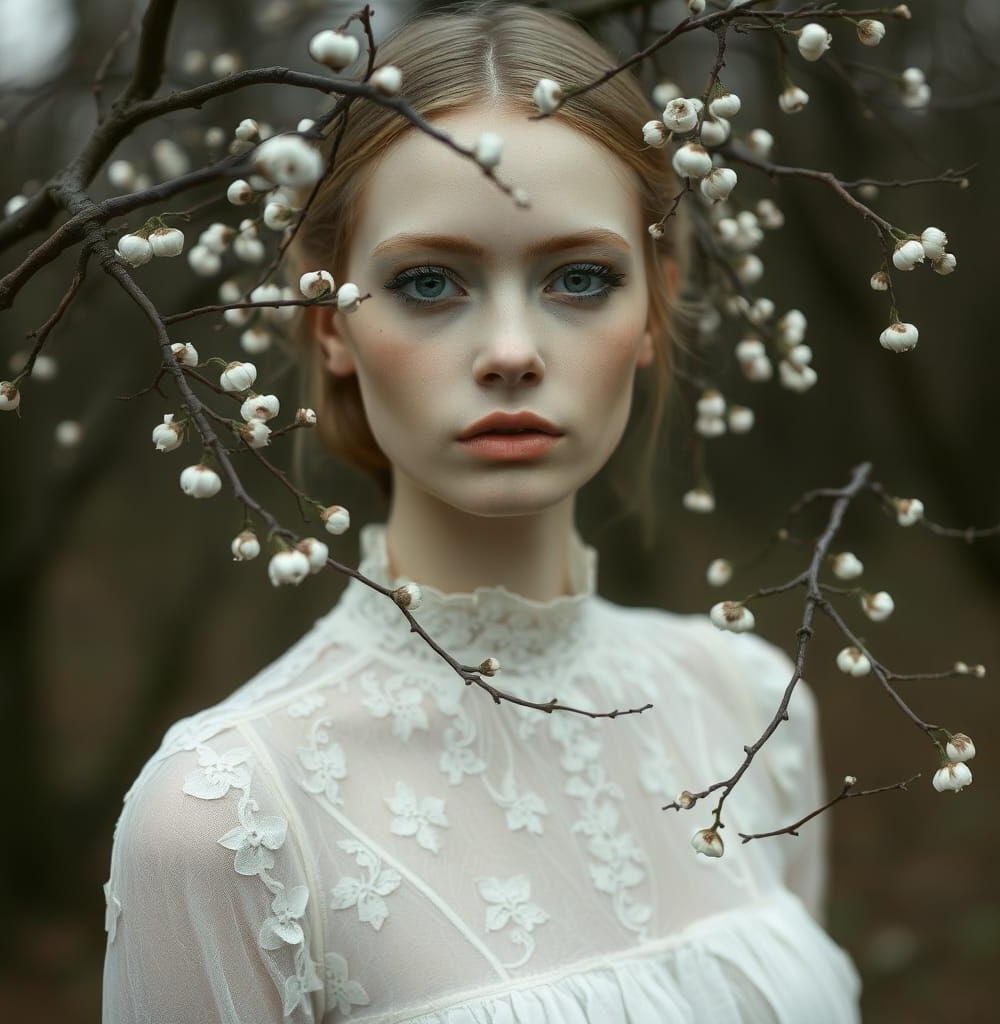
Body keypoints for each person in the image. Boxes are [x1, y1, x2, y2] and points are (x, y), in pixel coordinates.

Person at [101, 2, 862, 1020]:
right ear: (329, 322)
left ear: (653, 304)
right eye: (429, 282)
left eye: (579, 277)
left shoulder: (750, 707)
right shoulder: (228, 814)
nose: (511, 349)